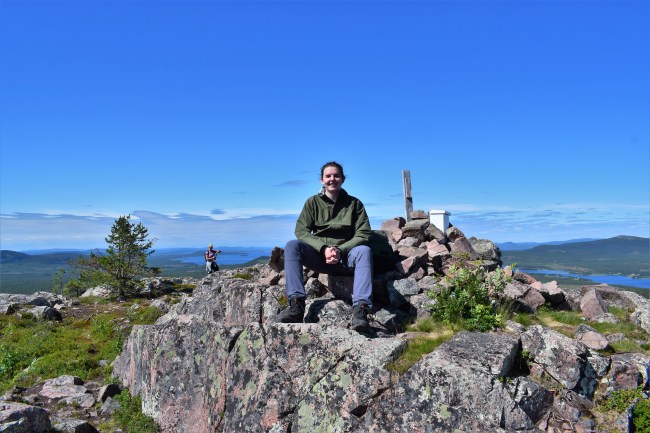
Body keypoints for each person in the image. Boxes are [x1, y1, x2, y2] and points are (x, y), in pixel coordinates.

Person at [277, 161, 374, 333]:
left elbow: (363, 233)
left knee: (364, 251)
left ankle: (361, 310)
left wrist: (340, 250)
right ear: (322, 180)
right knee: (292, 246)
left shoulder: (354, 204)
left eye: (336, 175)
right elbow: (301, 231)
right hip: (319, 257)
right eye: (328, 176)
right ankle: (296, 306)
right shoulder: (312, 203)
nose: (332, 179)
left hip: (347, 258)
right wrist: (323, 249)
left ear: (343, 179)